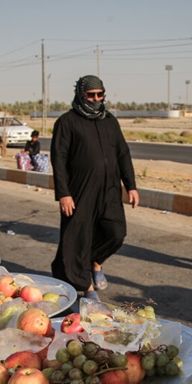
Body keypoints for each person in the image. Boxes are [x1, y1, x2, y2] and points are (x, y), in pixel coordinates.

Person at [50, 75, 139, 300]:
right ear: (81, 95)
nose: (96, 99)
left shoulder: (109, 120)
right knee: (77, 238)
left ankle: (95, 262)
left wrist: (131, 185)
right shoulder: (67, 122)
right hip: (80, 190)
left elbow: (122, 153)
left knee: (116, 232)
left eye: (100, 95)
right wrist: (64, 193)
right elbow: (58, 159)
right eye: (91, 95)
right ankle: (86, 287)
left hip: (109, 189)